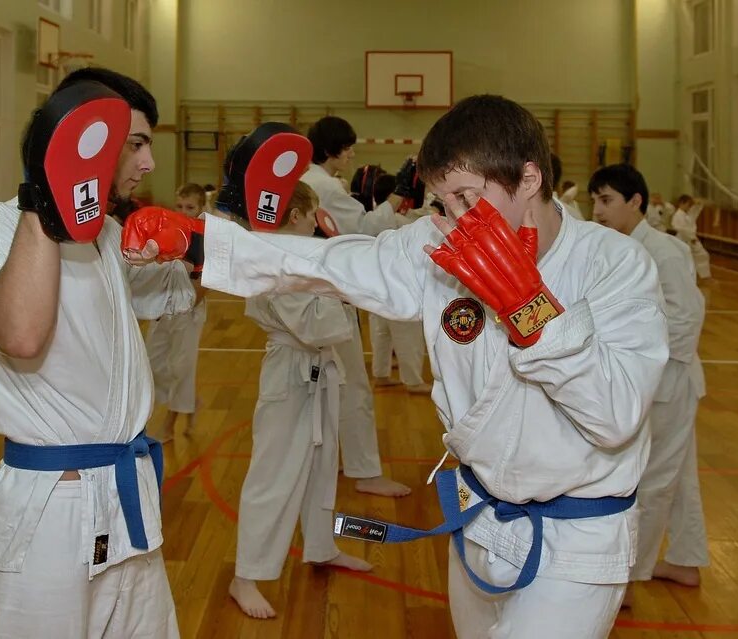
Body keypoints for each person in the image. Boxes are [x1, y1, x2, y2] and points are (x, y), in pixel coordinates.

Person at [123, 95, 669, 638]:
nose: (455, 215)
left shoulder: (614, 266)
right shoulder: (442, 248)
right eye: (443, 200)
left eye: (467, 196)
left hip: (577, 540)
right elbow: (328, 263)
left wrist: (534, 313)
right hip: (478, 516)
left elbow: (617, 415)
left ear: (528, 179)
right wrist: (203, 243)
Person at [0, 67, 189, 637]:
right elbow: (21, 334)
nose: (148, 163)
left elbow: (180, 290)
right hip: (51, 512)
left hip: (128, 499)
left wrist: (196, 236)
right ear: (84, 143)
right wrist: (46, 189)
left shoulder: (107, 234)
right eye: (135, 144)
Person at [229, 180, 373, 619]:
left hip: (317, 369)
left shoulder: (300, 258)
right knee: (274, 473)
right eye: (312, 214)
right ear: (296, 215)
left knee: (321, 463)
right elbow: (322, 328)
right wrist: (339, 282)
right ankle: (245, 576)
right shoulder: (279, 262)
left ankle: (320, 546)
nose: (316, 221)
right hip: (291, 372)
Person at [589, 164, 709, 608]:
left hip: (665, 379)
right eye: (595, 201)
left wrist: (637, 366)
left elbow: (686, 319)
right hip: (643, 377)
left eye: (607, 201)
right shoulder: (616, 248)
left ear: (636, 200)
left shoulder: (664, 251)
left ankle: (626, 578)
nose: (598, 210)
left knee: (653, 478)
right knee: (678, 476)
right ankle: (684, 559)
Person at [302, 116, 413, 498]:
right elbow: (365, 229)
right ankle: (364, 470)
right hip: (328, 294)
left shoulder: (307, 179)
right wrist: (398, 193)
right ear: (332, 148)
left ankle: (326, 460)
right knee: (354, 387)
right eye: (347, 146)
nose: (352, 153)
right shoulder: (325, 185)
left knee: (323, 384)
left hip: (308, 293)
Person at [145, 182, 209, 442]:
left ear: (202, 208)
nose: (184, 211)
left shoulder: (205, 237)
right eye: (180, 206)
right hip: (163, 305)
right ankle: (191, 401)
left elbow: (204, 282)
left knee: (181, 367)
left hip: (189, 308)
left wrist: (186, 306)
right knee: (152, 362)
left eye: (190, 207)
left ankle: (170, 425)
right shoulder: (169, 230)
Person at [367, 172, 432, 394]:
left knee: (381, 333)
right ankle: (413, 381)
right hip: (399, 288)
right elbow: (420, 223)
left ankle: (381, 373)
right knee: (408, 335)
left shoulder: (372, 218)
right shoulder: (399, 221)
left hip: (375, 286)